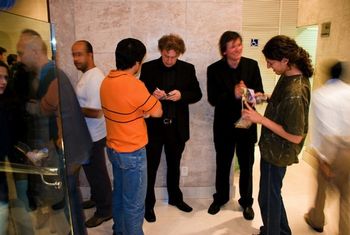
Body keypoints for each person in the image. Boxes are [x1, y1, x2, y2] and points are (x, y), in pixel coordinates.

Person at [17, 29, 92, 235]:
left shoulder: (53, 76)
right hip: (68, 150)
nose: (21, 58)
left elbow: (51, 113)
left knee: (69, 199)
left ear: (34, 51)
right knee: (70, 197)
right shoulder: (48, 74)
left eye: (22, 52)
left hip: (68, 151)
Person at [242, 35, 313, 235]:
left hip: (278, 153)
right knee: (272, 195)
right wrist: (265, 97)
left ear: (285, 60)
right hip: (272, 148)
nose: (268, 66)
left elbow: (295, 136)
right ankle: (282, 231)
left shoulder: (296, 92)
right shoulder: (290, 76)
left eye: (271, 62)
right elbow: (283, 101)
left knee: (268, 199)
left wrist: (260, 119)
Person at [100, 38, 162, 235]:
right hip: (132, 153)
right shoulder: (134, 85)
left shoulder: (106, 81)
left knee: (119, 196)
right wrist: (153, 100)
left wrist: (143, 108)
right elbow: (158, 111)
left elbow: (125, 109)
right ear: (137, 63)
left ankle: (119, 231)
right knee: (134, 205)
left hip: (114, 150)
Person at [139, 34, 202, 222]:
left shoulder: (188, 69)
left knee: (174, 166)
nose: (169, 60)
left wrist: (181, 95)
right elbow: (140, 94)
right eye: (166, 56)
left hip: (177, 128)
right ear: (161, 51)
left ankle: (175, 198)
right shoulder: (148, 68)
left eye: (173, 57)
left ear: (179, 54)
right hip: (154, 128)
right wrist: (152, 95)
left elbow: (197, 94)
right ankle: (148, 205)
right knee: (151, 168)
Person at [206, 31, 264, 220]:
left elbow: (259, 95)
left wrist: (246, 93)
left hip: (246, 124)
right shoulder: (213, 69)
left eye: (239, 44)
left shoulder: (252, 65)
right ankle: (221, 198)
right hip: (224, 126)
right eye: (233, 46)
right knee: (223, 163)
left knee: (247, 165)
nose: (238, 49)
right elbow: (213, 99)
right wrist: (233, 93)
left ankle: (246, 202)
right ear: (224, 51)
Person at [304, 61, 350, 234]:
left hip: (332, 149)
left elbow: (321, 129)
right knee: (346, 197)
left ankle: (317, 220)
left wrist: (323, 158)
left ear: (327, 75)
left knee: (322, 189)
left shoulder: (320, 95)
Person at [71, 40, 112, 228]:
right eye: (74, 54)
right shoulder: (87, 75)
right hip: (88, 134)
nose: (75, 59)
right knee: (92, 172)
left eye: (79, 54)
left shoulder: (95, 78)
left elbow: (96, 112)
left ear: (90, 55)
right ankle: (96, 199)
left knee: (97, 174)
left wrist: (71, 109)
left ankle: (105, 210)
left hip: (94, 135)